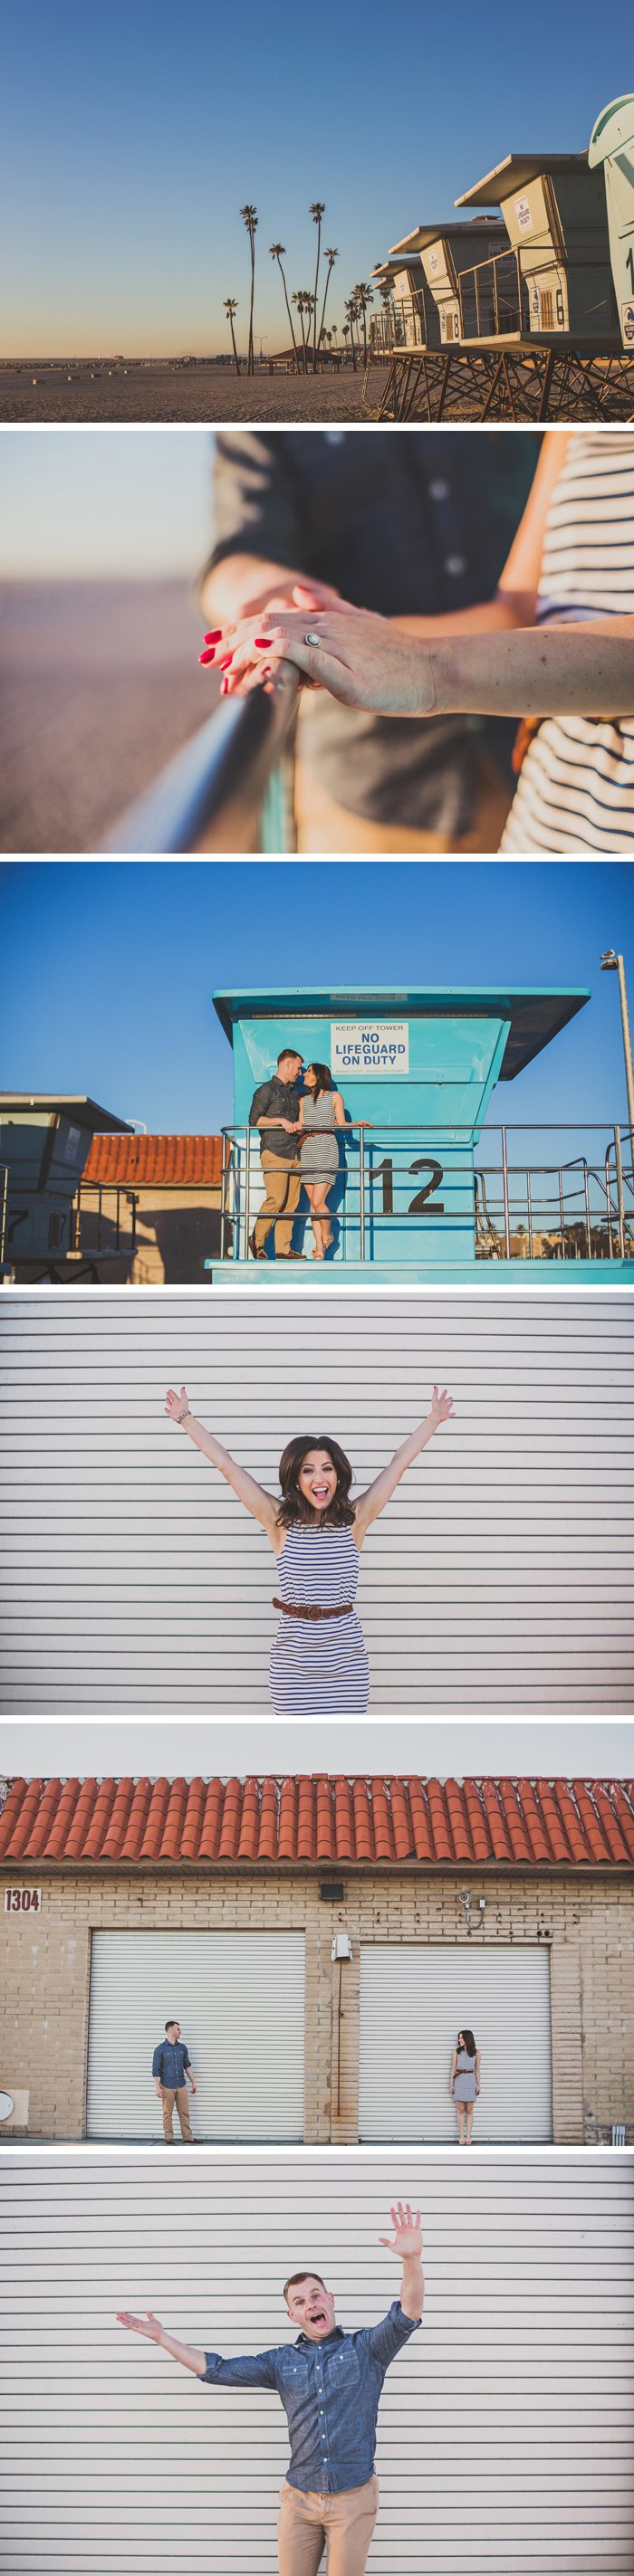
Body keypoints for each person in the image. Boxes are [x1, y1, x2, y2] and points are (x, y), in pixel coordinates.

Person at [207, 429, 634, 855]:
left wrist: (427, 667)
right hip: (536, 810)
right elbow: (517, 611)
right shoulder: (568, 426)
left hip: (552, 792)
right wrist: (362, 630)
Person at [116, 2200, 424, 2576]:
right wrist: (163, 2338)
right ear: (292, 2315)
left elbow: (407, 2313)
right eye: (300, 2301)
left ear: (330, 2301)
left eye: (315, 2296)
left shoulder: (366, 2350)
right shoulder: (281, 2362)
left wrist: (411, 2261)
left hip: (353, 2498)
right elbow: (216, 2369)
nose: (310, 2303)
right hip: (299, 2499)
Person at [164, 1386, 455, 1713]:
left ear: (338, 1475)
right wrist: (185, 1418)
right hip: (293, 1668)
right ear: (296, 1479)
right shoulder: (278, 1522)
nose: (319, 1477)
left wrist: (433, 1419)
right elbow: (228, 1466)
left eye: (327, 1468)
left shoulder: (355, 1521)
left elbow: (398, 1463)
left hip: (346, 1666)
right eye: (308, 1470)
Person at [248, 1044, 306, 1261]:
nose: (300, 1073)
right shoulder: (266, 1090)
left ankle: (283, 1249)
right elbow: (255, 1121)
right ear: (287, 1064)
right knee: (276, 1200)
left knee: (291, 1204)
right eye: (298, 1068)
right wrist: (281, 1121)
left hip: (294, 1153)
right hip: (274, 1151)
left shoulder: (295, 1093)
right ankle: (258, 1241)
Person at [297, 1063, 350, 1260]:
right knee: (313, 1204)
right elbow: (302, 1126)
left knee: (319, 1201)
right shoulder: (303, 1101)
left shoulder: (335, 1097)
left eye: (309, 1071)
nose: (304, 1075)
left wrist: (357, 1124)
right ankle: (319, 1247)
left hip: (326, 1146)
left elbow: (342, 1124)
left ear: (319, 1075)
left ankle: (328, 1237)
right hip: (308, 1148)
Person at [152, 2018, 197, 2145]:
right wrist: (157, 2087)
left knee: (185, 2112)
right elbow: (155, 2070)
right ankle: (169, 2138)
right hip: (166, 2086)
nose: (180, 2031)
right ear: (171, 2030)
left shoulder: (182, 2048)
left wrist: (193, 2082)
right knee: (167, 2113)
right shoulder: (159, 2049)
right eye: (178, 2029)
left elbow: (187, 2065)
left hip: (181, 2085)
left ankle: (188, 2138)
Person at [450, 2028, 481, 2146]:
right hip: (459, 2080)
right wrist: (451, 2084)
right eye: (459, 2037)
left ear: (468, 2038)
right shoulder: (456, 2052)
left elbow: (477, 2071)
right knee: (460, 2109)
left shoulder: (477, 2053)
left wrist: (479, 2085)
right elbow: (453, 2068)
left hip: (470, 2080)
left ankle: (468, 2135)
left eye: (462, 2038)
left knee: (469, 2110)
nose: (459, 2040)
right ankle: (461, 2136)